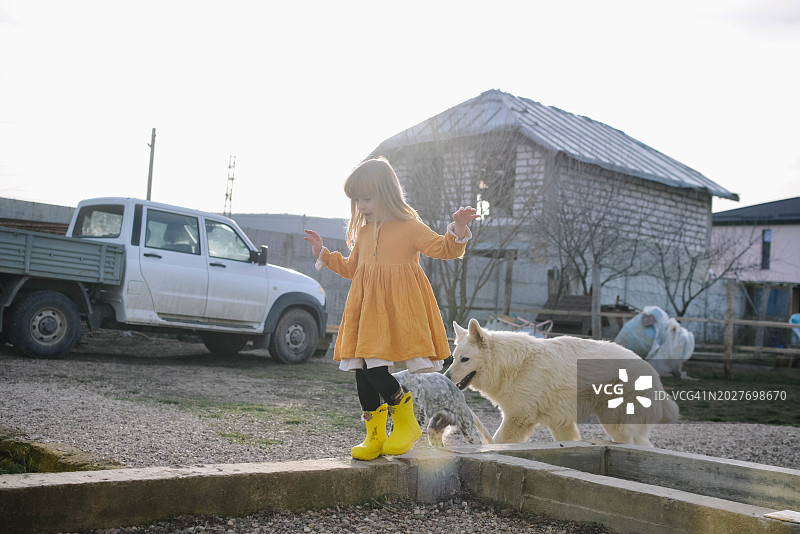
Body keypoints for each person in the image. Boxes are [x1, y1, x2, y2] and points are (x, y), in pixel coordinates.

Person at [304, 157, 478, 460]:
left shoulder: (409, 227)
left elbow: (444, 248)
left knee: (375, 371)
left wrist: (459, 227)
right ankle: (374, 435)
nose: (361, 206)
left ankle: (406, 421)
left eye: (366, 198)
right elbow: (351, 268)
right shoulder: (364, 232)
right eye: (356, 200)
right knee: (361, 372)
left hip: (394, 312)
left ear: (386, 193)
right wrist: (325, 255)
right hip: (365, 312)